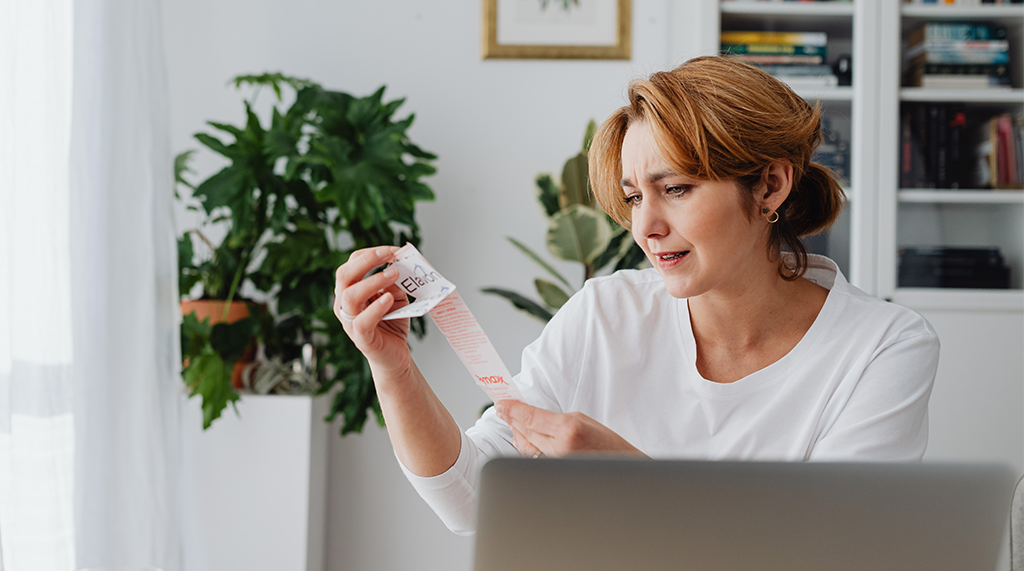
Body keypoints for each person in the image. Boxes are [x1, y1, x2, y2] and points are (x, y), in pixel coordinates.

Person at [332, 55, 939, 535]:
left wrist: (633, 484)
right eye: (631, 197)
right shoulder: (606, 313)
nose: (644, 227)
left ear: (771, 185)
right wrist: (393, 369)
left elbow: (835, 553)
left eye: (675, 188)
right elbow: (473, 502)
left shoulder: (882, 346)